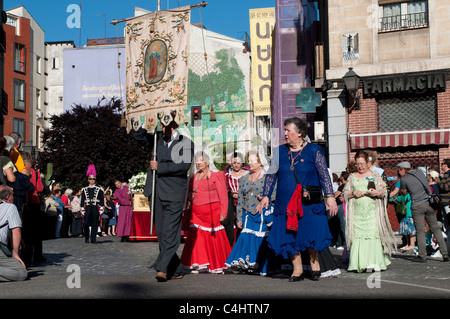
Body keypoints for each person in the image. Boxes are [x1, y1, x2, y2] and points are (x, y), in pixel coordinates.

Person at [258, 117, 339, 281]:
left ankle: (315, 265)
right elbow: (271, 175)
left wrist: (330, 197)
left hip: (309, 202)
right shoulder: (278, 152)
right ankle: (297, 269)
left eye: (288, 130)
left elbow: (324, 175)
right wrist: (266, 195)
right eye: (285, 130)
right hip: (285, 201)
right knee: (290, 235)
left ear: (300, 133)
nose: (285, 133)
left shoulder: (314, 150)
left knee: (310, 232)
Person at [134, 112, 193, 282]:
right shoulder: (156, 139)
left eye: (165, 124)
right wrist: (146, 124)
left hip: (174, 194)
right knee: (161, 232)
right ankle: (175, 268)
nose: (162, 126)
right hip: (156, 192)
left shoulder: (186, 143)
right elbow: (138, 137)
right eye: (161, 123)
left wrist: (160, 167)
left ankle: (162, 268)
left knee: (170, 232)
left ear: (174, 125)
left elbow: (183, 166)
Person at [343, 150, 397, 272]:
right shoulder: (352, 177)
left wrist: (377, 193)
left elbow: (384, 191)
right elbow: (345, 193)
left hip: (372, 214)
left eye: (362, 164)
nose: (360, 166)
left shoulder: (375, 176)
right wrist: (353, 193)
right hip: (357, 215)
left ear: (368, 163)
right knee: (358, 238)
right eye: (358, 164)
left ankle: (374, 263)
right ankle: (359, 264)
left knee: (373, 237)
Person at [225, 151, 275, 275]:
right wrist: (239, 218)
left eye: (253, 160)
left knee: (260, 238)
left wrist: (265, 196)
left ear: (260, 162)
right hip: (248, 213)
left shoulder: (268, 178)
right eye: (249, 160)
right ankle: (244, 264)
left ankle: (260, 264)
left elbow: (274, 193)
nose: (250, 163)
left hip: (262, 213)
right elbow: (241, 200)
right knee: (245, 237)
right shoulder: (243, 179)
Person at [180, 151, 230, 274]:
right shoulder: (193, 177)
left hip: (212, 212)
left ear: (207, 161)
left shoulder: (216, 175)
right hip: (196, 213)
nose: (198, 163)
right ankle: (198, 263)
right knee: (196, 236)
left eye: (201, 160)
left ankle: (214, 263)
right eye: (197, 161)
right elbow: (188, 194)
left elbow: (223, 195)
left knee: (213, 238)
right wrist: (189, 198)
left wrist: (223, 213)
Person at [399, 161, 449, 262]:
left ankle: (422, 255)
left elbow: (404, 193)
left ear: (403, 169)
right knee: (435, 228)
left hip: (417, 206)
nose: (399, 172)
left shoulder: (404, 179)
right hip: (428, 203)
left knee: (420, 231)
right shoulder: (419, 172)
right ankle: (445, 253)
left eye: (399, 169)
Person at [21, 152, 46, 267]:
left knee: (27, 232)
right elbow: (40, 188)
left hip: (26, 202)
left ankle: (26, 256)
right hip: (35, 203)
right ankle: (37, 255)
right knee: (36, 232)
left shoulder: (21, 170)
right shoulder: (35, 172)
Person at [0, 185, 27, 282]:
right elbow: (16, 230)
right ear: (7, 197)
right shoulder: (10, 207)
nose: (14, 198)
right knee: (21, 272)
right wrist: (15, 253)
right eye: (13, 195)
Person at [223, 152, 247, 246]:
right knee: (231, 228)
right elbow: (225, 189)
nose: (236, 165)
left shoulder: (247, 174)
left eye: (238, 163)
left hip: (244, 204)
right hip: (231, 204)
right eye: (234, 163)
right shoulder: (227, 175)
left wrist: (240, 195)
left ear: (242, 163)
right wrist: (232, 194)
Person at [80, 172, 104, 244]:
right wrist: (81, 207)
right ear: (88, 180)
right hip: (87, 207)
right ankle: (87, 237)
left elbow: (101, 198)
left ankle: (93, 239)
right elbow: (82, 199)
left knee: (95, 223)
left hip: (95, 207)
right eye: (90, 179)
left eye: (93, 179)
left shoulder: (99, 189)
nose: (92, 180)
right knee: (86, 223)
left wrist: (102, 207)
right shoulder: (84, 189)